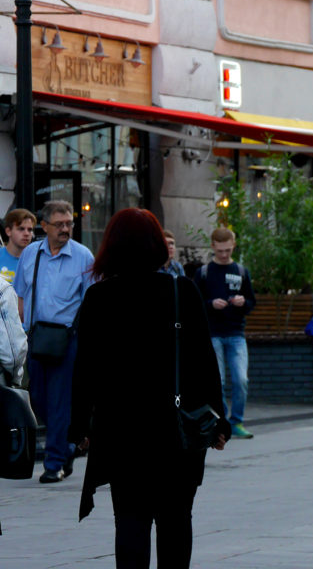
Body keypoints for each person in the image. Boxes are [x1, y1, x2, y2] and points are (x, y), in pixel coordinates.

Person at [70, 208, 230, 568]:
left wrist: (79, 426)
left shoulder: (100, 297)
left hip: (121, 431)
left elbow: (85, 371)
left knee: (130, 520)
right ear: (158, 245)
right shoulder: (181, 291)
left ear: (111, 246)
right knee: (176, 520)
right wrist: (220, 420)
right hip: (177, 430)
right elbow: (205, 361)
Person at [13, 200, 94, 483]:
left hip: (66, 337)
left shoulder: (83, 256)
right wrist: (19, 331)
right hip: (35, 336)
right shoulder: (31, 253)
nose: (65, 229)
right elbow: (20, 295)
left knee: (59, 401)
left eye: (69, 223)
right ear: (44, 226)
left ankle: (54, 462)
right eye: (58, 224)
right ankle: (69, 445)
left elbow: (92, 300)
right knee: (35, 399)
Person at [194, 228, 256, 439]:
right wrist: (211, 304)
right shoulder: (203, 273)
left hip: (236, 331)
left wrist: (242, 302)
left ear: (234, 245)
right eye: (220, 250)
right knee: (217, 381)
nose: (224, 255)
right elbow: (194, 305)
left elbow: (251, 302)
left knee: (241, 379)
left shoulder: (240, 271)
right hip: (212, 333)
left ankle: (236, 420)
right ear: (213, 246)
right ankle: (221, 422)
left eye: (228, 250)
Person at [1, 208, 36, 284]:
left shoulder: (37, 260)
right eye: (21, 229)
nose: (26, 233)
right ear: (8, 231)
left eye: (30, 230)